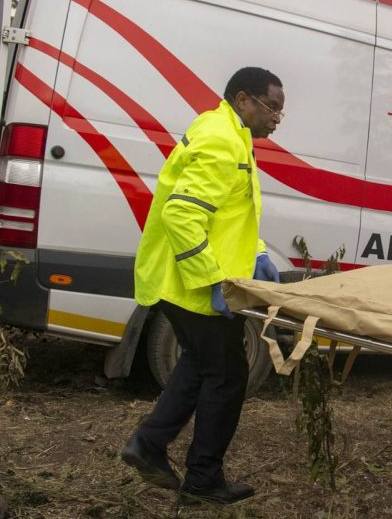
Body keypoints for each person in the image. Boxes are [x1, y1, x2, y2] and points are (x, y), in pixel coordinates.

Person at [121, 67, 284, 505]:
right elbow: (182, 215)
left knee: (201, 364)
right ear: (244, 99)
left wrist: (258, 253)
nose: (277, 118)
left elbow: (231, 210)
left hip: (190, 282)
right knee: (229, 377)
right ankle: (202, 482)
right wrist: (211, 280)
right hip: (195, 285)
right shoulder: (221, 138)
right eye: (272, 107)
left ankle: (150, 444)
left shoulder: (230, 133)